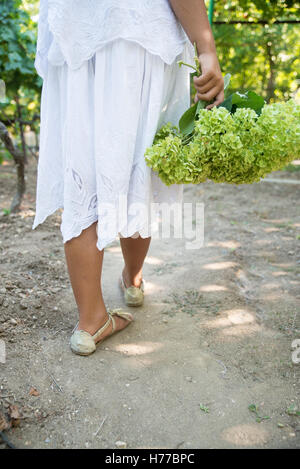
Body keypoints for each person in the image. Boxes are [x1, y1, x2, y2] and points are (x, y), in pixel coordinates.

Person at [32, 0, 224, 356]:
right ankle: (132, 280)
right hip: (140, 33)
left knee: (83, 172)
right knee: (141, 163)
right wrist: (206, 46)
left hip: (75, 34)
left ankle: (91, 319)